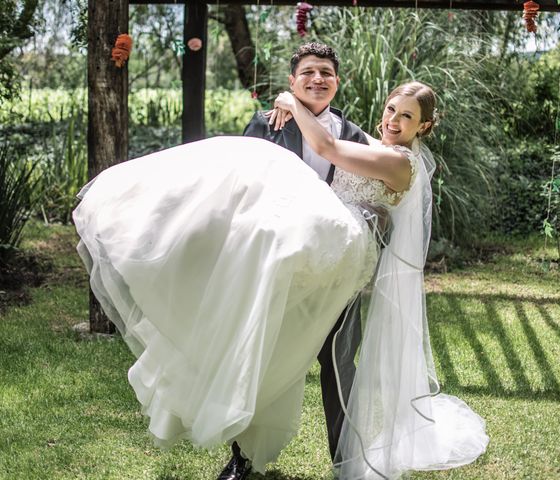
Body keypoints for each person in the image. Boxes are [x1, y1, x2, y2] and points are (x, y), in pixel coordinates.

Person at [73, 79, 488, 480]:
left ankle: (344, 458)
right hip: (326, 242)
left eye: (407, 116)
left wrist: (291, 102)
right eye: (391, 110)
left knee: (274, 177)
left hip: (344, 244)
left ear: (424, 127)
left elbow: (326, 147)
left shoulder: (399, 161)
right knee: (263, 332)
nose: (394, 120)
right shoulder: (374, 145)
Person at [223, 41, 370, 480]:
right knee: (260, 358)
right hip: (277, 267)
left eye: (326, 71)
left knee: (339, 364)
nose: (317, 79)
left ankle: (346, 461)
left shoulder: (354, 135)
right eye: (308, 72)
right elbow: (241, 191)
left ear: (336, 82)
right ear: (292, 82)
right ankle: (242, 457)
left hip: (336, 271)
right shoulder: (266, 124)